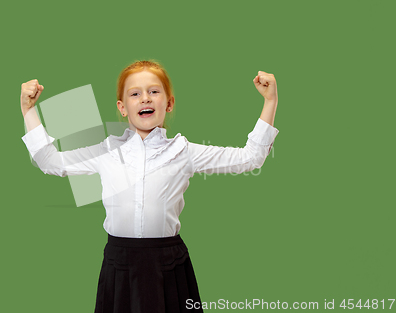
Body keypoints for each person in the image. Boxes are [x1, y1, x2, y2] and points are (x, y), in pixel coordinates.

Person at [20, 60, 279, 313]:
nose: (145, 98)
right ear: (122, 107)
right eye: (135, 94)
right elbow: (50, 161)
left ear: (169, 103)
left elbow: (250, 158)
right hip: (119, 263)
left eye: (154, 91)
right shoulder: (106, 150)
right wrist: (28, 110)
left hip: (168, 264)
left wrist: (270, 101)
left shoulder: (184, 151)